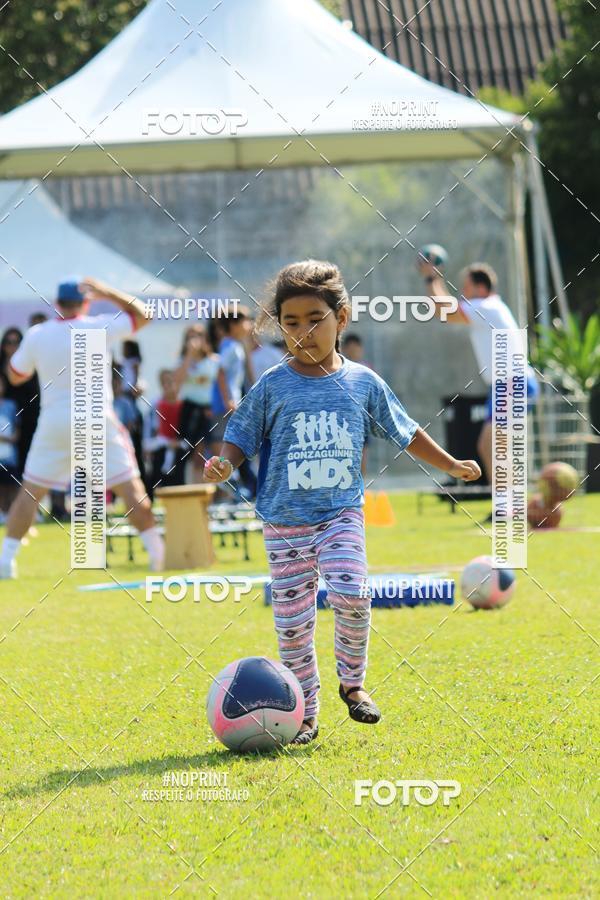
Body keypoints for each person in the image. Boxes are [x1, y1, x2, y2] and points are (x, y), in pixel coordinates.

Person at [204, 259, 480, 744]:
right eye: (291, 323)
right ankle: (304, 714)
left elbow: (405, 430)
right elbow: (240, 435)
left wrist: (451, 464)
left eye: (315, 319)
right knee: (293, 627)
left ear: (342, 318)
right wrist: (226, 462)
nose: (303, 332)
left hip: (340, 512)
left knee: (353, 590)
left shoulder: (363, 383)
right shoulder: (273, 384)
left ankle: (353, 685)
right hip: (284, 523)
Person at [0, 277, 165, 578]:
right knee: (130, 487)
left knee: (31, 491)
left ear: (57, 303)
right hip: (97, 419)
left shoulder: (38, 334)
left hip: (54, 421)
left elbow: (14, 375)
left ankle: (6, 561)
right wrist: (108, 291)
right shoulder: (99, 326)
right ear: (86, 302)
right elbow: (145, 314)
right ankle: (158, 556)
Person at [419, 259, 539, 521]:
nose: (463, 293)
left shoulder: (487, 306)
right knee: (492, 444)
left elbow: (445, 311)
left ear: (481, 288)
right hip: (505, 384)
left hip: (512, 383)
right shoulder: (491, 306)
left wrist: (432, 278)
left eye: (467, 287)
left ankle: (509, 507)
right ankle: (508, 505)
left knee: (491, 443)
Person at [210, 306, 257, 500]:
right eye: (245, 321)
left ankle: (236, 485)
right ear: (233, 325)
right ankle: (232, 484)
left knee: (228, 444)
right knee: (222, 445)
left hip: (228, 404)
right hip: (225, 406)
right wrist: (228, 400)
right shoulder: (230, 347)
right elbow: (220, 372)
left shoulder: (235, 345)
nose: (250, 325)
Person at [173, 324, 220, 483]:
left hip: (208, 410)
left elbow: (221, 387)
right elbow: (177, 383)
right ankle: (188, 485)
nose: (194, 340)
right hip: (189, 408)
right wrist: (188, 355)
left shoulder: (214, 360)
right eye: (191, 336)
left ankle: (212, 489)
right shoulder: (182, 360)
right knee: (188, 451)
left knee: (208, 451)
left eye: (198, 335)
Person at [0, 327, 40, 478]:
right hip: (5, 425)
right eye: (8, 342)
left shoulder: (30, 367)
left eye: (16, 342)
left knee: (25, 466)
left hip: (27, 422)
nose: (12, 346)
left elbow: (36, 395)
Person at [144, 369, 187, 495]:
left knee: (178, 481)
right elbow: (150, 429)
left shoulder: (184, 404)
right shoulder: (155, 404)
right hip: (161, 447)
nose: (168, 386)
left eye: (171, 381)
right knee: (155, 479)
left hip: (179, 448)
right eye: (165, 383)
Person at [0, 375, 19, 520]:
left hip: (9, 454)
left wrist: (10, 438)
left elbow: (16, 429)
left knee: (11, 484)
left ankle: (12, 512)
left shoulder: (11, 405)